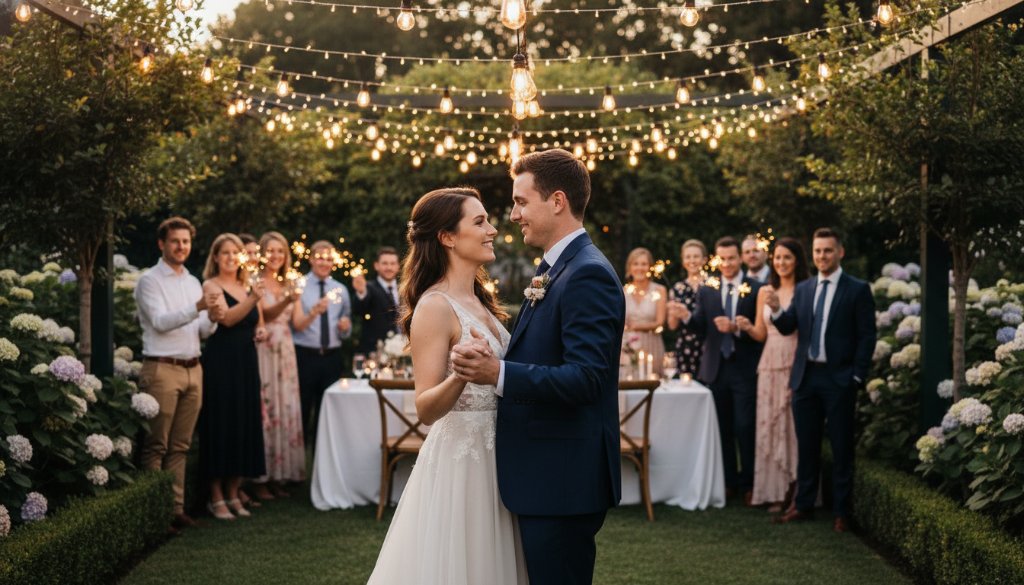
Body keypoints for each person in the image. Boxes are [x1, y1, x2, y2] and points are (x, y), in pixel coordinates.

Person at [453, 149, 625, 585]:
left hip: (563, 479)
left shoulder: (588, 274)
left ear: (558, 201)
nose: (513, 215)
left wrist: (499, 374)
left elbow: (586, 378)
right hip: (546, 476)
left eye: (521, 202)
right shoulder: (559, 268)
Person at [367, 188, 526, 584]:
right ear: (447, 237)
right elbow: (425, 408)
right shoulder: (435, 306)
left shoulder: (481, 301)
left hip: (500, 457)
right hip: (463, 465)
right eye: (479, 222)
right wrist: (460, 375)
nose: (491, 230)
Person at [768, 228, 876, 533]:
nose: (821, 256)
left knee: (842, 446)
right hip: (806, 376)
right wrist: (776, 310)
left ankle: (842, 512)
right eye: (817, 251)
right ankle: (803, 505)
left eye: (827, 251)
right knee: (807, 445)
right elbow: (789, 327)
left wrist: (856, 375)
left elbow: (867, 336)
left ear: (839, 252)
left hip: (839, 378)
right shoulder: (804, 289)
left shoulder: (857, 289)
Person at [135, 217, 223, 533]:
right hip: (161, 368)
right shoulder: (149, 281)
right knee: (156, 445)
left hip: (192, 368)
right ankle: (152, 515)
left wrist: (212, 317)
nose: (181, 247)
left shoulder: (192, 281)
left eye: (185, 241)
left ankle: (175, 510)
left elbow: (200, 329)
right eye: (175, 241)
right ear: (162, 244)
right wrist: (199, 305)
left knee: (181, 446)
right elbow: (159, 321)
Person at [676, 236, 763, 504]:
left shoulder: (755, 287)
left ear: (740, 258)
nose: (726, 263)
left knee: (745, 426)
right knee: (722, 428)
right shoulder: (708, 289)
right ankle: (728, 483)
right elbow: (701, 325)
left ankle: (750, 483)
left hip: (744, 366)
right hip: (715, 368)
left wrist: (739, 328)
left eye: (731, 258)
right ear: (716, 259)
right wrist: (686, 316)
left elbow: (761, 331)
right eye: (722, 259)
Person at [735, 238, 809, 512]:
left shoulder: (805, 289)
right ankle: (774, 492)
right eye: (778, 257)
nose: (781, 262)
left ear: (797, 260)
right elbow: (760, 333)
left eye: (787, 257)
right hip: (768, 362)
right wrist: (743, 326)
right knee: (769, 426)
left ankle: (797, 490)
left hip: (793, 360)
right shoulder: (765, 290)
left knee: (792, 426)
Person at [199, 233, 268, 520]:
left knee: (243, 421)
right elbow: (226, 318)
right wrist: (253, 298)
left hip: (246, 360)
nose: (230, 258)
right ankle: (215, 495)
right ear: (215, 257)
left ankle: (233, 491)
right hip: (221, 362)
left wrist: (261, 328)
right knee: (221, 422)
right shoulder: (210, 285)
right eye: (224, 253)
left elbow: (257, 318)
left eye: (235, 253)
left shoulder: (246, 284)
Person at [252, 231, 305, 500]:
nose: (275, 256)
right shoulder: (254, 280)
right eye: (270, 250)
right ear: (262, 253)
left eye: (280, 251)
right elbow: (266, 314)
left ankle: (279, 474)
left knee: (285, 405)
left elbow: (297, 323)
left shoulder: (290, 282)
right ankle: (260, 477)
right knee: (266, 407)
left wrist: (316, 311)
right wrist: (287, 299)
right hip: (264, 347)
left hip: (285, 347)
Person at [292, 240, 352, 444]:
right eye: (319, 257)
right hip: (304, 355)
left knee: (326, 411)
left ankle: (321, 457)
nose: (324, 262)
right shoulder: (299, 285)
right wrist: (314, 311)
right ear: (310, 259)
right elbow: (294, 325)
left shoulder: (341, 290)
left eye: (328, 258)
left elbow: (347, 321)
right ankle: (299, 462)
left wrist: (346, 327)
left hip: (331, 357)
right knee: (301, 408)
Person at [622, 247, 667, 377]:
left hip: (652, 345)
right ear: (629, 268)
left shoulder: (659, 290)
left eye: (644, 264)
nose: (639, 268)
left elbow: (660, 323)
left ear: (650, 267)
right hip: (628, 346)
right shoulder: (624, 291)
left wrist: (636, 326)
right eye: (635, 264)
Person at [666, 239, 708, 377]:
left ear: (704, 259)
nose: (692, 260)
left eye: (696, 256)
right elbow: (672, 326)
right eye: (688, 257)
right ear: (683, 261)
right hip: (685, 346)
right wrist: (673, 312)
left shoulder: (713, 285)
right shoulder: (677, 289)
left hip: (708, 345)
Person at [352, 246, 402, 354]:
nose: (389, 267)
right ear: (376, 266)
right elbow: (358, 309)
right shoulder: (368, 288)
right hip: (375, 352)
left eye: (392, 263)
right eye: (385, 263)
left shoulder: (405, 289)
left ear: (398, 266)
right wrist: (361, 293)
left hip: (402, 351)